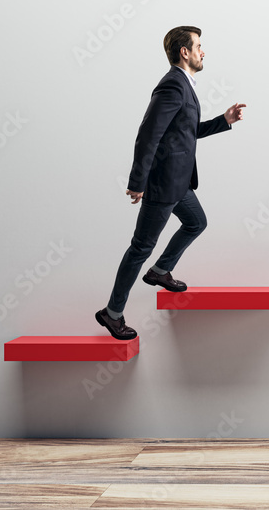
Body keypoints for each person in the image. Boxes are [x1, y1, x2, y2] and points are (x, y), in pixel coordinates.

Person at [96, 26, 245, 339]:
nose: (204, 51)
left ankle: (160, 271)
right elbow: (147, 135)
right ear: (185, 52)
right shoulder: (172, 86)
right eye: (199, 46)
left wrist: (225, 121)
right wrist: (138, 181)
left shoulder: (184, 85)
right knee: (140, 248)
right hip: (163, 186)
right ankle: (112, 314)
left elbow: (185, 131)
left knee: (196, 222)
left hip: (180, 184)